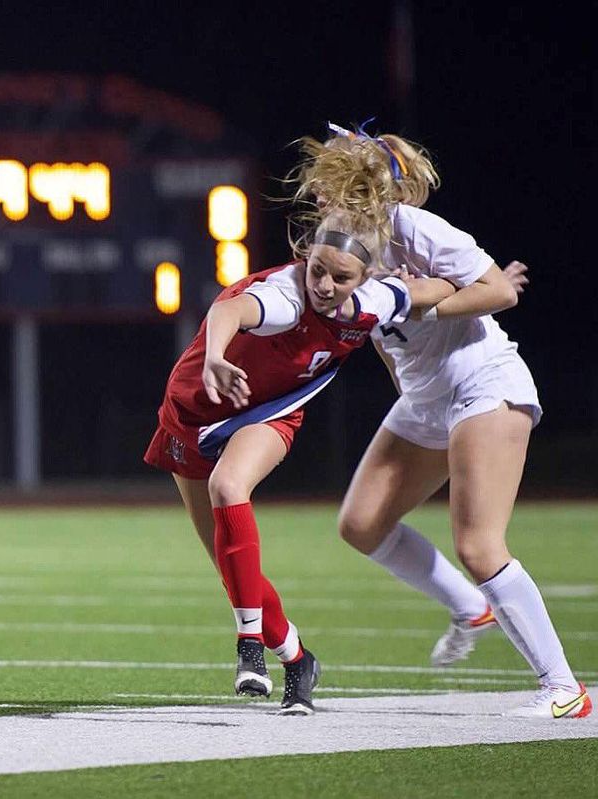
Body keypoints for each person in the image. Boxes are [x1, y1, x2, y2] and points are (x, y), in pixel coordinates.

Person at [293, 122, 589, 719]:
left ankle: (565, 691)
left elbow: (499, 293)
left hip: (482, 384)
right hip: (427, 398)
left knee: (480, 546)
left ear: (361, 188)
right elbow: (375, 332)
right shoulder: (337, 245)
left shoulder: (414, 229)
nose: (318, 196)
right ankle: (467, 606)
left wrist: (424, 299)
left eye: (329, 185)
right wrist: (404, 374)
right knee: (361, 524)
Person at [144, 210, 457, 715]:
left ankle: (248, 644)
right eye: (318, 270)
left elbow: (435, 290)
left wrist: (488, 282)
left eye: (341, 277)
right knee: (232, 569)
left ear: (366, 278)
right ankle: (295, 658)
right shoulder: (285, 298)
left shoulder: (376, 298)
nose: (326, 285)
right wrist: (214, 357)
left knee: (230, 486)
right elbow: (228, 312)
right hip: (193, 414)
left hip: (268, 414)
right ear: (304, 259)